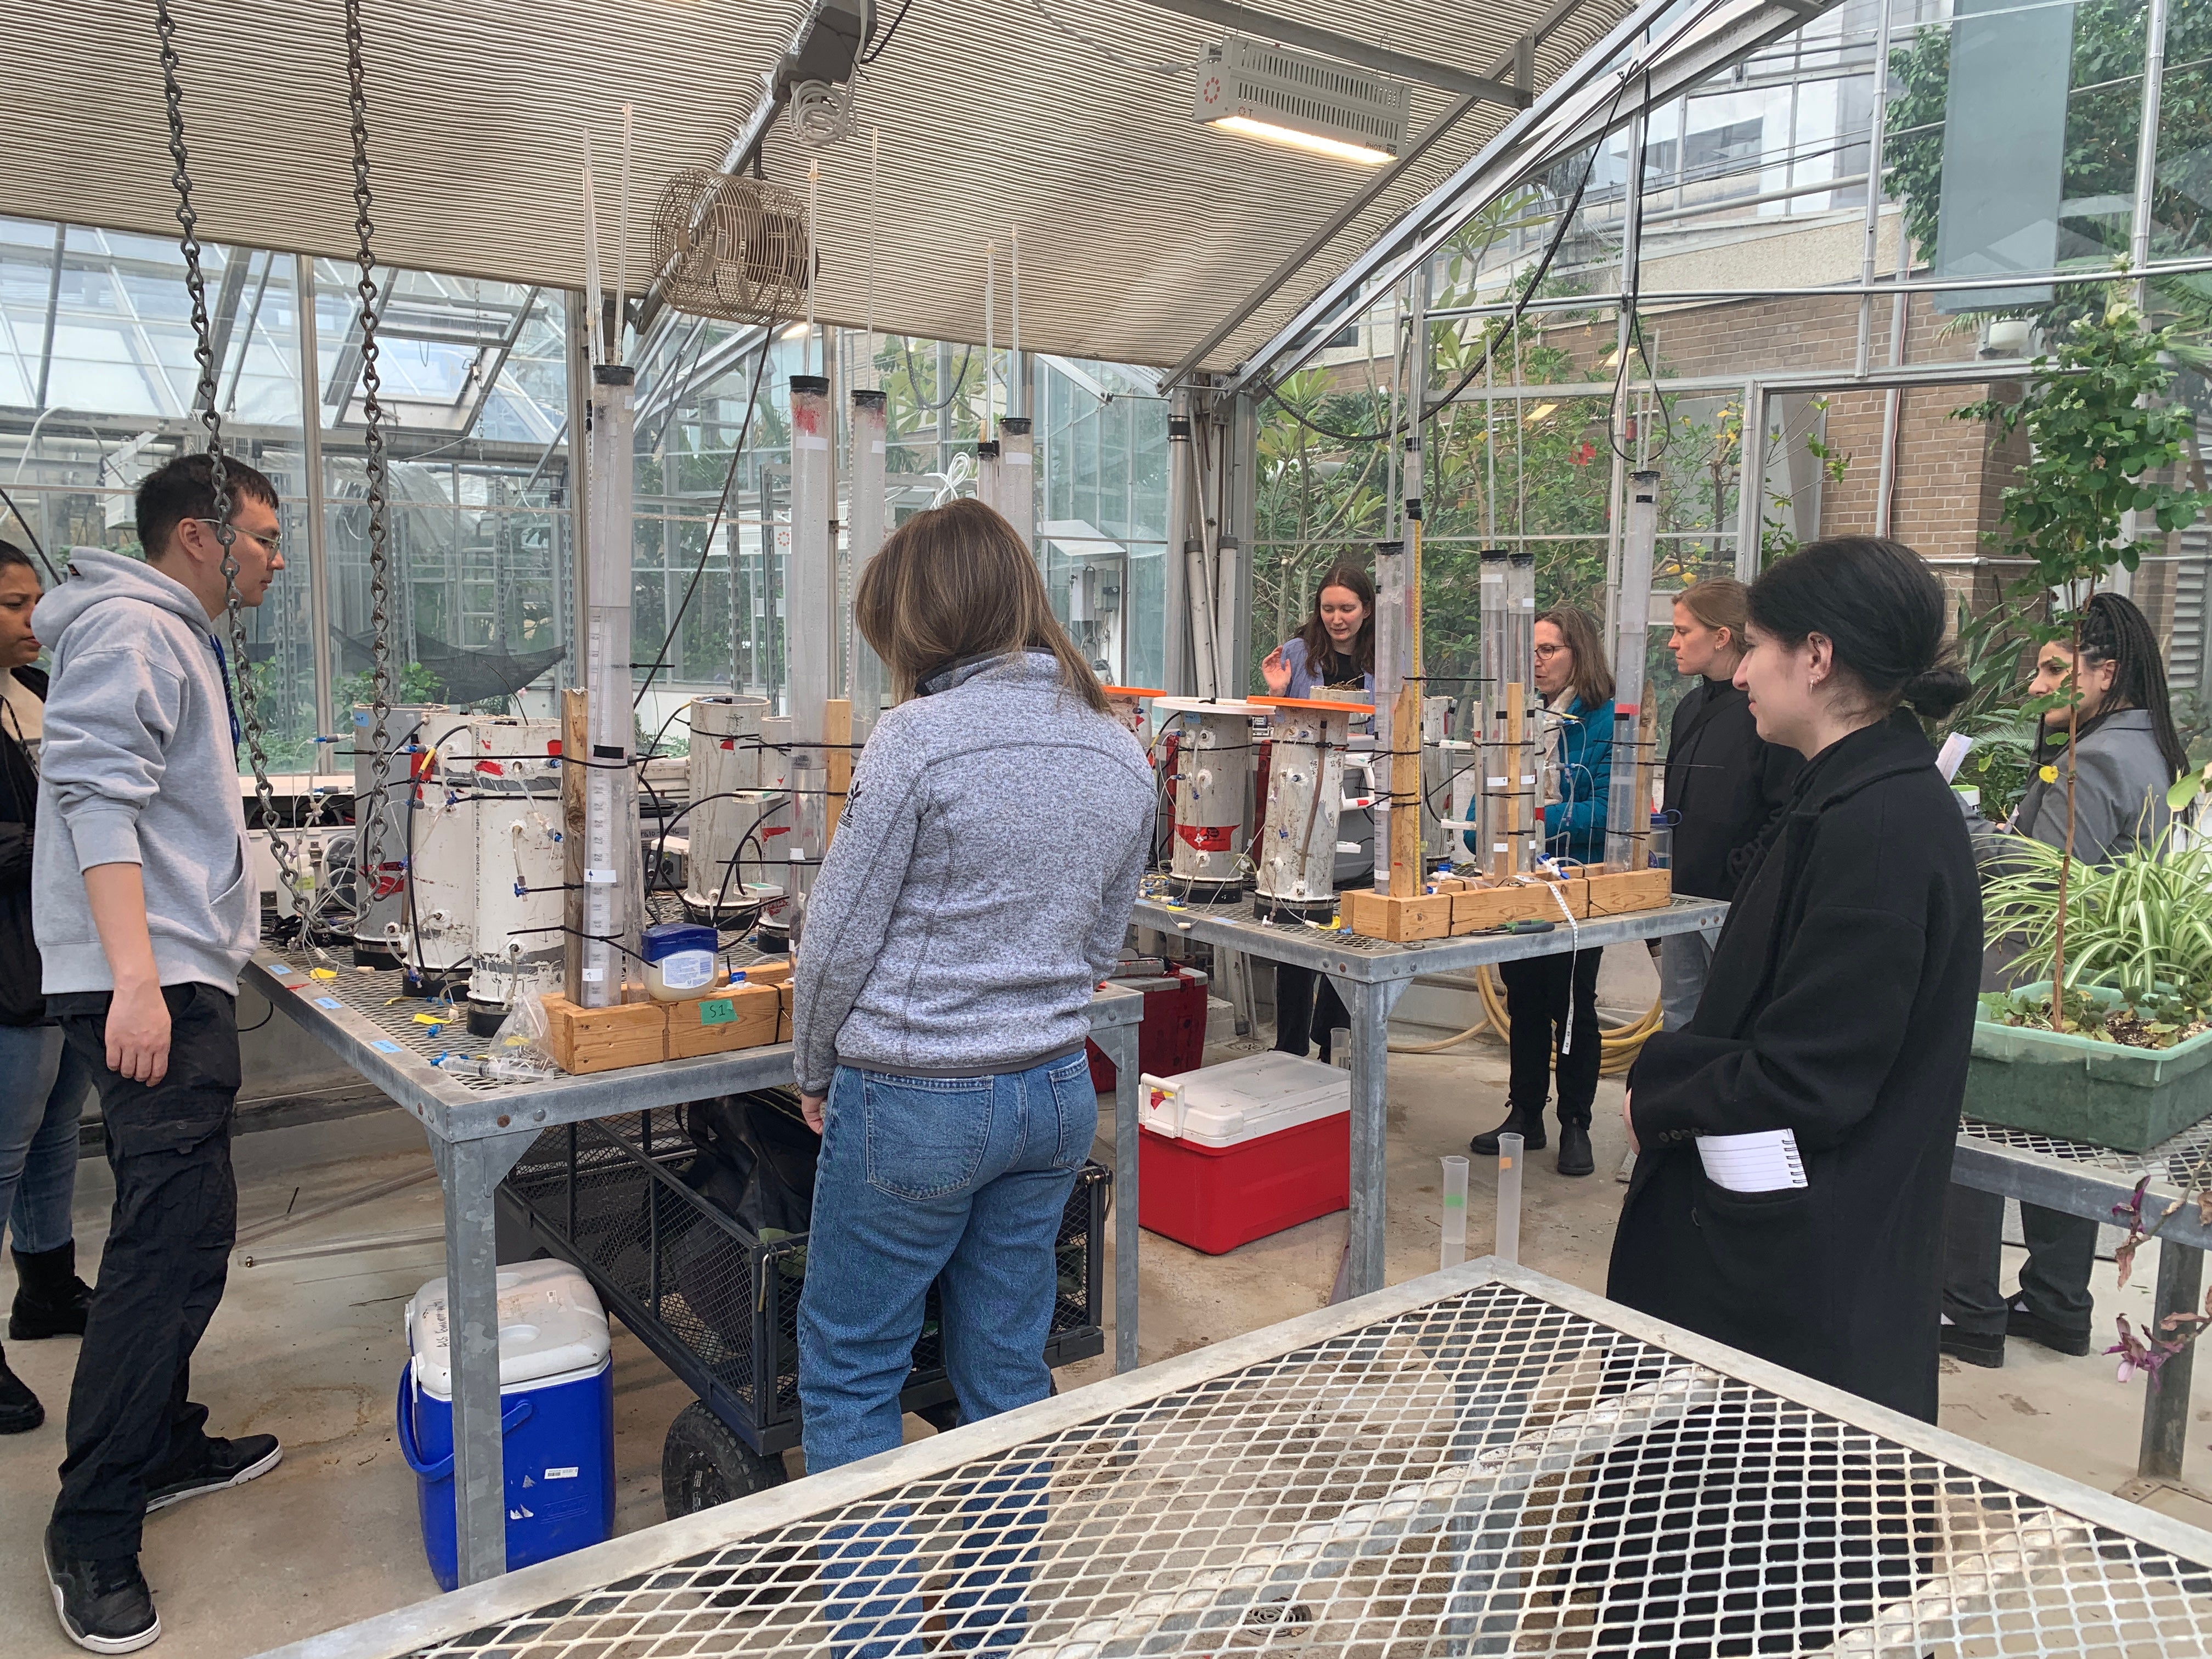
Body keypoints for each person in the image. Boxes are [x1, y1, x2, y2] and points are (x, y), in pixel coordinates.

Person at [792, 497, 1153, 1654]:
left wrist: (813, 1062)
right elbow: (1101, 942)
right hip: (1051, 1090)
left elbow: (836, 939)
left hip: (916, 1096)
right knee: (1005, 1369)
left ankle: (882, 1640)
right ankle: (993, 1631)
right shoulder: (1117, 742)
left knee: (852, 1373)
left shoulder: (917, 738)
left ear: (926, 621)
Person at [1607, 536, 1979, 1422]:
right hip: (1790, 1247)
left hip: (1798, 1279)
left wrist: (1658, 1095)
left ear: (1815, 656)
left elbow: (1812, 1076)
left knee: (1757, 1492)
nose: (1741, 673)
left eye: (1756, 647)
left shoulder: (1878, 831)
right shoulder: (1851, 794)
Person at [36, 454, 287, 1654]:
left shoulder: (165, 633)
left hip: (174, 972)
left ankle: (162, 1443)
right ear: (200, 535)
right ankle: (91, 1527)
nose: (275, 560)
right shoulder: (133, 628)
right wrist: (135, 980)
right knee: (160, 1254)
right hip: (150, 985)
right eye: (264, 537)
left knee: (188, 1237)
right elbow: (94, 796)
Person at [1942, 591, 2183, 1368]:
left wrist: (1967, 826)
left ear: (2106, 673)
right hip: (2089, 975)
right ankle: (2057, 1304)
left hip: (2026, 972)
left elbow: (2049, 879)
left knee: (1977, 1128)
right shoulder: (2147, 746)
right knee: (2059, 1139)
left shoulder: (2093, 757)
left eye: (2054, 670)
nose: (2036, 686)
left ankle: (1966, 1309)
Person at [0, 541, 98, 1437]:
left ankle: (47, 1288)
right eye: (13, 603)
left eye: (37, 599)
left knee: (56, 1129)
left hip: (58, 958)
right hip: (7, 969)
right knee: (4, 1148)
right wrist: (65, 840)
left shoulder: (35, 692)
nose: (35, 619)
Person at [1470, 607, 1614, 1178]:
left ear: (1580, 653)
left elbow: (1608, 810)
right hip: (1518, 880)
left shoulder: (1603, 721)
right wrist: (1489, 827)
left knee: (1573, 1005)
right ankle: (1525, 1114)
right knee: (1524, 998)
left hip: (1576, 884)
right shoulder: (1520, 715)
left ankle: (1576, 1123)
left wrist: (1529, 819)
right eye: (1530, 650)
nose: (1536, 660)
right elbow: (1485, 799)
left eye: (1548, 649)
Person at [1657, 578, 1800, 1030]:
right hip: (1681, 895)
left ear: (1722, 637)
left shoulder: (1765, 712)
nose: (1672, 643)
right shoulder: (1689, 707)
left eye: (1684, 632)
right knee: (1680, 1012)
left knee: (1732, 1018)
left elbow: (1786, 805)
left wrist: (1740, 872)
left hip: (1733, 901)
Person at [1260, 567, 1375, 1063]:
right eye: (1328, 608)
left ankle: (1334, 1044)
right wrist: (1278, 692)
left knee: (1349, 931)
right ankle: (1289, 1046)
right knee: (1296, 923)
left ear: (1367, 609)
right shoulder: (1296, 653)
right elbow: (1281, 729)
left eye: (1347, 608)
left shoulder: (1385, 658)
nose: (1337, 618)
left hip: (1361, 800)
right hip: (1303, 803)